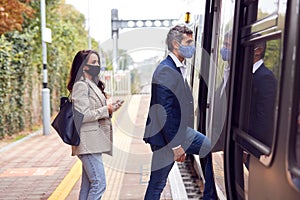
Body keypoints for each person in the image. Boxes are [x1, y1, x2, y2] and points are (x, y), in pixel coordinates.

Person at [143, 25, 212, 200]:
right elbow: (164, 112)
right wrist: (176, 146)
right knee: (157, 183)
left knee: (209, 148)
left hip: (179, 133)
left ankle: (210, 196)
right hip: (167, 138)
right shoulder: (166, 70)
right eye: (188, 42)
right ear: (175, 44)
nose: (192, 46)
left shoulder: (177, 67)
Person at [67, 50, 123, 199]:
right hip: (87, 142)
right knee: (99, 183)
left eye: (98, 62)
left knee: (87, 186)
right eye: (93, 62)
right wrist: (107, 109)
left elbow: (95, 110)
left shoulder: (91, 84)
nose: (97, 65)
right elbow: (82, 115)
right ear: (84, 66)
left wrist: (111, 109)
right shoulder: (81, 85)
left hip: (93, 141)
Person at [245, 40, 277, 168]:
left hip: (254, 148)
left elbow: (264, 116)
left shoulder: (265, 77)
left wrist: (250, 148)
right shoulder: (248, 74)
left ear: (258, 50)